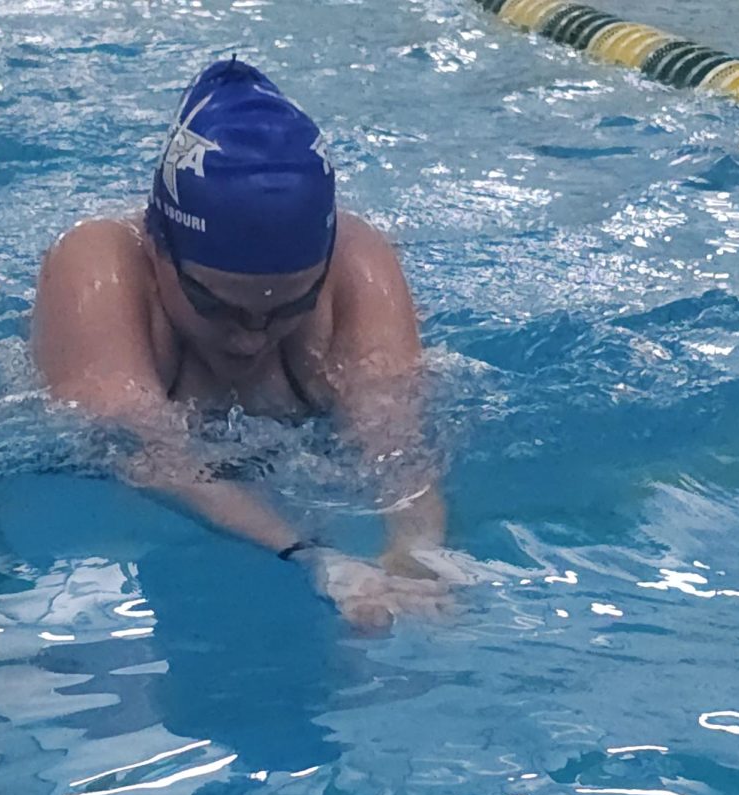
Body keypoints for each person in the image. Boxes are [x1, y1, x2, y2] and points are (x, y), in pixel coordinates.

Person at [33, 58, 453, 629]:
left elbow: (395, 438)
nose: (251, 337)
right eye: (217, 307)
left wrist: (417, 546)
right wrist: (308, 554)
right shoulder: (98, 269)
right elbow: (141, 451)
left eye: (289, 307)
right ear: (159, 250)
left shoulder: (357, 266)